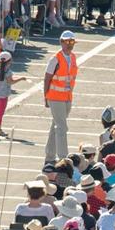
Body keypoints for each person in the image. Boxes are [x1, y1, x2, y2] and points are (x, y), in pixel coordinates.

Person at [42, 31, 78, 167]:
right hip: (56, 97)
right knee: (62, 127)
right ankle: (63, 158)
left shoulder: (73, 57)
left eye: (72, 42)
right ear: (61, 42)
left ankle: (50, 155)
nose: (70, 45)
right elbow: (47, 78)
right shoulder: (55, 59)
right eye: (67, 42)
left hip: (67, 97)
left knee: (56, 126)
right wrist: (46, 96)